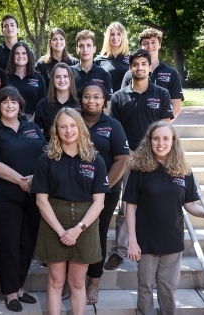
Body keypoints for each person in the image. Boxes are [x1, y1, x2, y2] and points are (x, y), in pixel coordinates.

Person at [124, 121, 204, 315]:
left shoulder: (183, 170)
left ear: (173, 141)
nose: (160, 143)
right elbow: (130, 206)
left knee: (167, 288)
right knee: (145, 286)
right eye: (156, 138)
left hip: (172, 239)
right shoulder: (138, 169)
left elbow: (189, 204)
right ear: (150, 141)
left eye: (165, 139)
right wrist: (132, 241)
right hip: (145, 240)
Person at [31, 108, 109, 315]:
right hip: (53, 221)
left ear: (80, 127)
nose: (68, 130)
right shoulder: (46, 159)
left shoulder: (95, 160)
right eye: (63, 126)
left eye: (73, 125)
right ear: (56, 130)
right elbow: (41, 201)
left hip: (85, 223)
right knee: (56, 282)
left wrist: (77, 229)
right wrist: (60, 231)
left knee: (77, 282)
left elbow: (99, 202)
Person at [105, 49, 174, 271]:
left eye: (144, 63)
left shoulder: (161, 94)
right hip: (128, 158)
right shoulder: (118, 97)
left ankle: (151, 246)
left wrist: (153, 150)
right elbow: (114, 128)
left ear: (149, 67)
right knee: (126, 206)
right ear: (130, 67)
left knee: (155, 203)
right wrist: (128, 151)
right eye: (136, 64)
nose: (140, 68)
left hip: (156, 157)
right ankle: (118, 251)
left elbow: (165, 125)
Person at [0, 87, 47, 312]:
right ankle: (10, 293)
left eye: (14, 101)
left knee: (27, 244)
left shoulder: (32, 128)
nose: (10, 105)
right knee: (8, 245)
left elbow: (46, 155)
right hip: (5, 198)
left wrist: (35, 178)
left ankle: (19, 287)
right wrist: (22, 180)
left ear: (20, 105)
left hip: (33, 197)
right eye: (5, 102)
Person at [80, 82, 130, 304]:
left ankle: (93, 284)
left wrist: (104, 186)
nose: (92, 101)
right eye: (87, 96)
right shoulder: (73, 121)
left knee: (97, 235)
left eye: (97, 97)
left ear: (104, 100)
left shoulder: (113, 125)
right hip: (75, 191)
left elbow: (122, 159)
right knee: (74, 234)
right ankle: (73, 283)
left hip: (106, 192)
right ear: (81, 99)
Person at [120, 28, 184, 120]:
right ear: (141, 46)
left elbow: (176, 106)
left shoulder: (172, 73)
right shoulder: (130, 73)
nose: (149, 46)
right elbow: (123, 102)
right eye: (145, 43)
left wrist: (161, 127)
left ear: (160, 45)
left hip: (160, 130)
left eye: (153, 42)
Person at [34, 62, 79, 141]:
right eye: (57, 77)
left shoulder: (79, 103)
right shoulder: (42, 105)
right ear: (52, 79)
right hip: (51, 149)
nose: (62, 80)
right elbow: (39, 137)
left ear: (71, 78)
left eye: (65, 76)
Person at [6, 42, 47, 120]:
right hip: (10, 120)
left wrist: (32, 121)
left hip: (34, 120)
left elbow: (43, 103)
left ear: (28, 56)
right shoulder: (6, 78)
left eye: (24, 53)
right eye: (17, 53)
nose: (20, 56)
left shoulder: (38, 78)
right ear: (12, 56)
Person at [71, 30, 113, 99]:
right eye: (81, 46)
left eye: (88, 45)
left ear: (94, 49)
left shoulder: (104, 74)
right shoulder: (69, 72)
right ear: (77, 49)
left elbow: (108, 102)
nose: (85, 49)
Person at [94, 22, 130, 94]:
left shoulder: (131, 59)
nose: (115, 37)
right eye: (112, 34)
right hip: (105, 102)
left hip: (126, 102)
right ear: (107, 37)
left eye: (119, 34)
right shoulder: (98, 61)